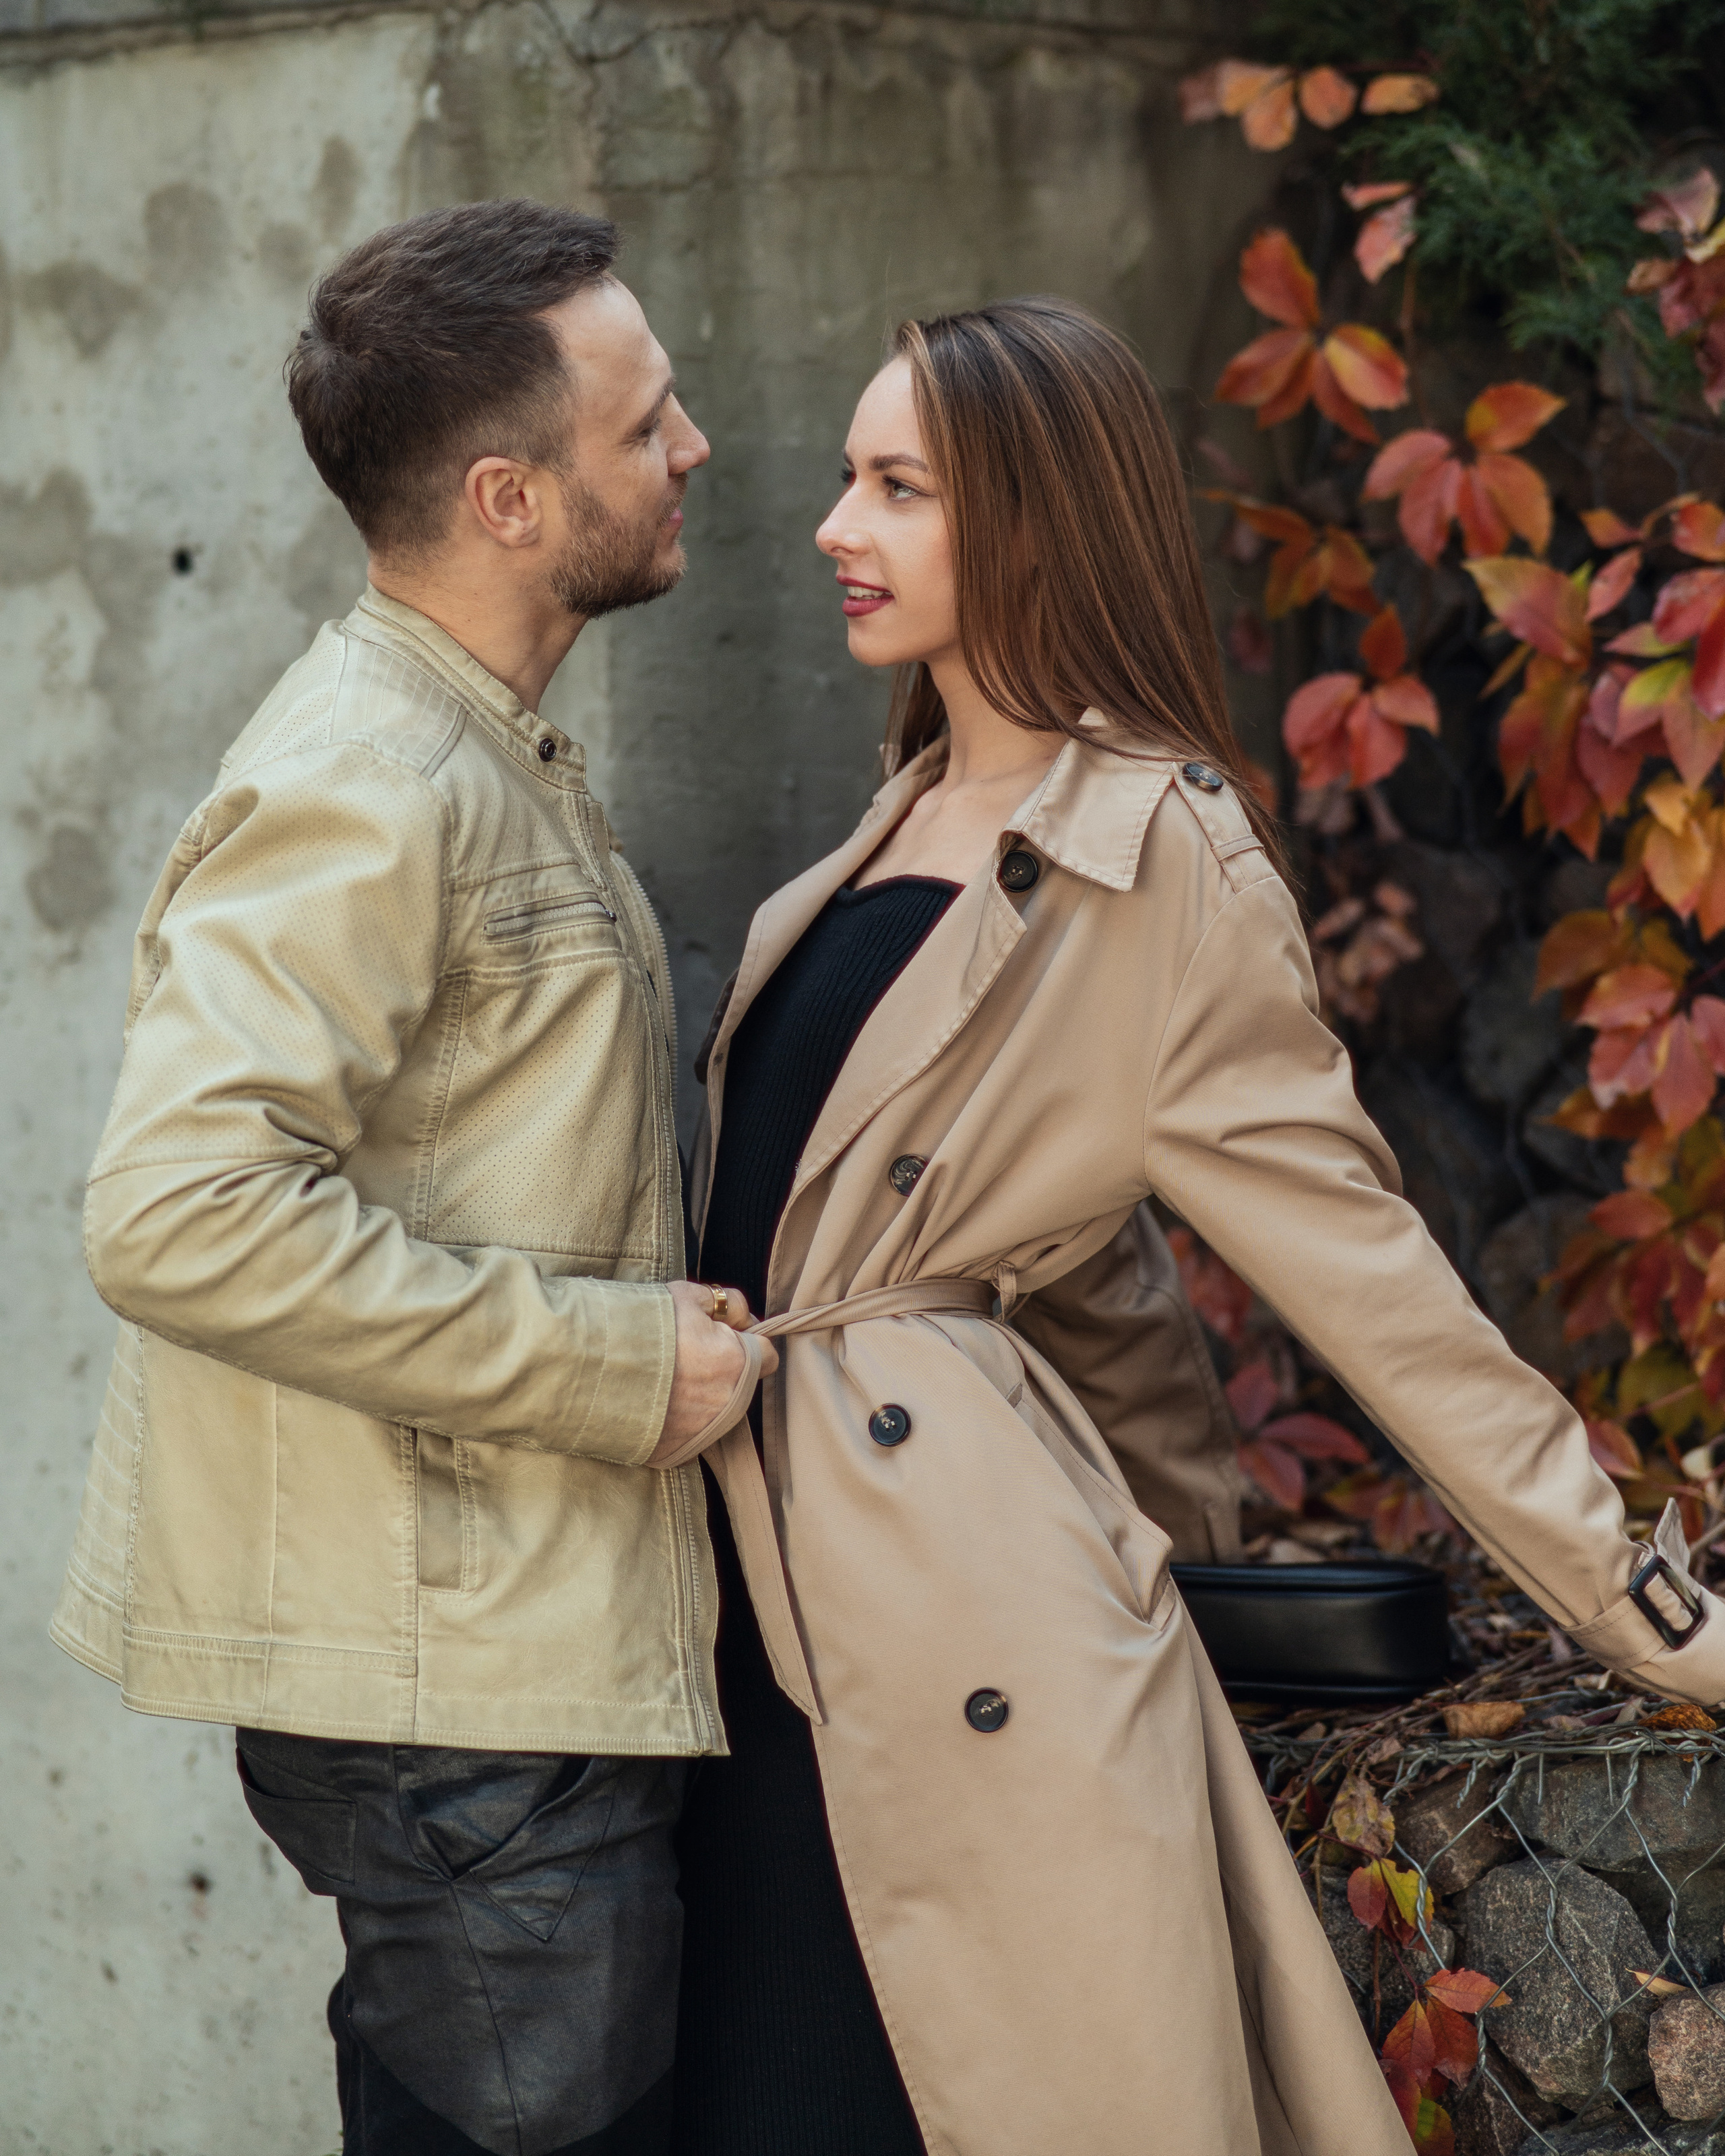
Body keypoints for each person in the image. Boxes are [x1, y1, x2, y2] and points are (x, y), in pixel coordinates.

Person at [669, 297, 1725, 2156]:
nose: (837, 528)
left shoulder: (1158, 861)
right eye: (851, 480)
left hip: (959, 1654)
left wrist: (1647, 1615)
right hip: (761, 1606)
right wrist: (1198, 1537)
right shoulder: (903, 821)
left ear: (1034, 522)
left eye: (896, 488)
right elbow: (1099, 1296)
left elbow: (1379, 1290)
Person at [49, 199, 776, 2156]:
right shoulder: (379, 778)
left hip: (497, 1678)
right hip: (469, 1711)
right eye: (647, 423)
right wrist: (618, 1369)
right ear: (508, 498)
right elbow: (179, 1208)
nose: (694, 444)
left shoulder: (474, 750)